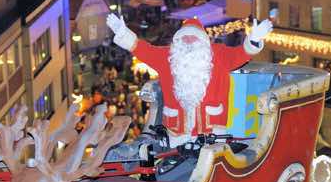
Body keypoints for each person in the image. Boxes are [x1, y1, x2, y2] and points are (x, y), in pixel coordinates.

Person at [105, 13, 273, 145]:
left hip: (211, 134)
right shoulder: (168, 57)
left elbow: (241, 54)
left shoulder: (219, 55)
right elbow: (143, 49)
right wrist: (123, 33)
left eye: (194, 38)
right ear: (177, 41)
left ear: (203, 41)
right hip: (175, 133)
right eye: (184, 38)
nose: (189, 41)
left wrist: (254, 39)